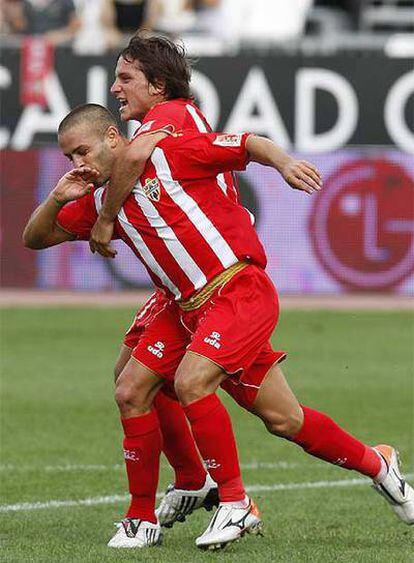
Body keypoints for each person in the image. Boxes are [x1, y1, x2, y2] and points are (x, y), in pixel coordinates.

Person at [23, 104, 414, 550]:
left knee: (191, 382)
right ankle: (379, 465)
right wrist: (57, 196)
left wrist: (285, 163)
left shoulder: (166, 153)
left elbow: (247, 144)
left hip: (236, 292)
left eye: (82, 151)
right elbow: (35, 238)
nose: (78, 164)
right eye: (70, 157)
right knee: (278, 418)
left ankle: (234, 501)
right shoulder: (98, 202)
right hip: (187, 310)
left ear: (113, 137)